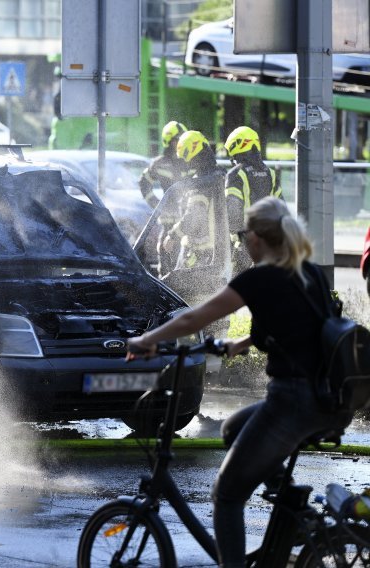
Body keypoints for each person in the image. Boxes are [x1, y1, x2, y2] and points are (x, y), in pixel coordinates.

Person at [126, 196, 353, 567]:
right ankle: (291, 505)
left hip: (292, 402)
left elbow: (192, 319)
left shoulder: (260, 278)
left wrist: (146, 340)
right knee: (233, 428)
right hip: (327, 399)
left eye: (244, 232)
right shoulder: (306, 271)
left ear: (257, 239)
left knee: (227, 494)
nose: (242, 240)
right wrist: (242, 343)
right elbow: (303, 327)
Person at [162, 130, 226, 274]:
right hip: (219, 253)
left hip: (200, 255)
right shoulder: (221, 174)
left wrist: (172, 235)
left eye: (185, 158)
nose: (184, 163)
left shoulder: (200, 182)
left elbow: (194, 216)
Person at [224, 126, 283, 274]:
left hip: (246, 245)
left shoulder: (236, 174)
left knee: (241, 291)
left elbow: (233, 213)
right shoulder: (271, 173)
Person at [138, 120, 189, 209]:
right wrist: (156, 204)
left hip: (189, 218)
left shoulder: (189, 162)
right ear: (169, 141)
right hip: (167, 219)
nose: (182, 143)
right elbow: (144, 183)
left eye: (183, 140)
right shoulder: (159, 164)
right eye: (178, 140)